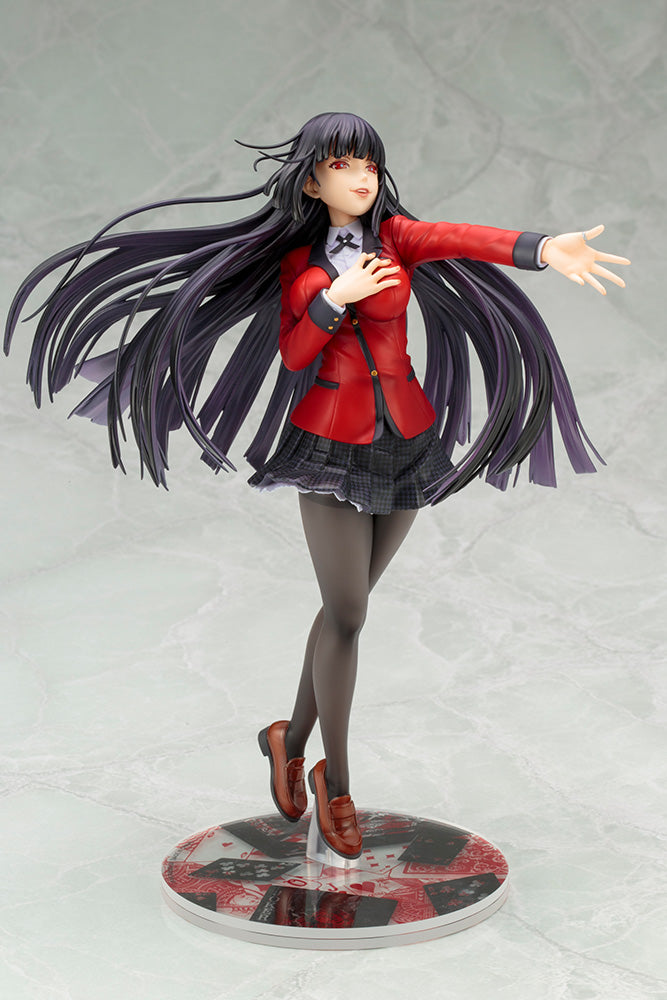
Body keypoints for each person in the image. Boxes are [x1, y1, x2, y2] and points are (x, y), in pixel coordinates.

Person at [4, 112, 630, 862]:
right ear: (311, 181)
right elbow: (296, 350)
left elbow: (463, 236)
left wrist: (543, 247)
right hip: (330, 444)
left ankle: (287, 738)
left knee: (344, 615)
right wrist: (337, 294)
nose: (361, 178)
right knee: (350, 612)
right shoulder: (300, 263)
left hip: (405, 440)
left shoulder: (398, 237)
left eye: (369, 164)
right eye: (342, 165)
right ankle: (337, 784)